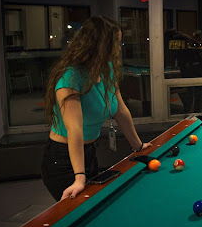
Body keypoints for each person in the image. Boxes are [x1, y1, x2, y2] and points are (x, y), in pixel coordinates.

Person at [42, 16, 152, 201]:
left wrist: (138, 145)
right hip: (62, 159)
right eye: (115, 43)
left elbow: (120, 111)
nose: (119, 48)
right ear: (100, 45)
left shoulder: (105, 68)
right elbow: (74, 129)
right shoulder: (70, 77)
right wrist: (79, 177)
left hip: (88, 152)